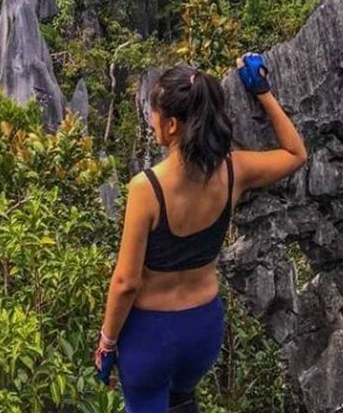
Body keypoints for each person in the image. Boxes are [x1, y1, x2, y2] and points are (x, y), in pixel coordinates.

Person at [93, 54, 307, 413]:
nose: (151, 119)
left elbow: (126, 281)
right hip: (203, 330)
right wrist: (263, 92)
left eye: (155, 112)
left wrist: (107, 343)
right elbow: (295, 153)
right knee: (182, 401)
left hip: (151, 336)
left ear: (173, 125)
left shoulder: (146, 189)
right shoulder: (234, 171)